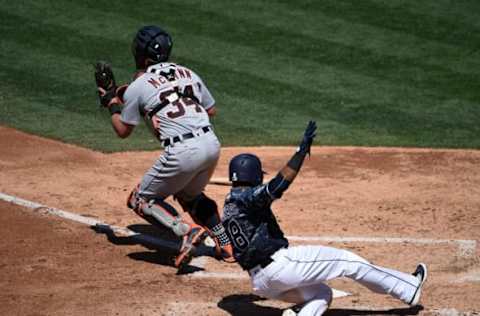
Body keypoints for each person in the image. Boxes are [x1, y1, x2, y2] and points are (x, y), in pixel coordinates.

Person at [221, 121, 428, 315]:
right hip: (281, 267)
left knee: (322, 294)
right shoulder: (248, 198)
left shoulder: (229, 206)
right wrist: (300, 152)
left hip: (263, 283)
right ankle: (409, 287)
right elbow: (278, 185)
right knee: (348, 261)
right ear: (254, 176)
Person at [94, 25, 233, 269]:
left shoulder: (140, 84)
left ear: (141, 56)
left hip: (183, 151)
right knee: (189, 195)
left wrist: (110, 103)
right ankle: (227, 245)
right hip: (211, 144)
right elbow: (211, 110)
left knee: (140, 199)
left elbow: (122, 130)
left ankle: (186, 231)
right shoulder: (188, 73)